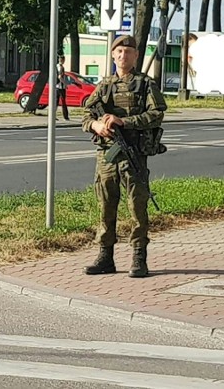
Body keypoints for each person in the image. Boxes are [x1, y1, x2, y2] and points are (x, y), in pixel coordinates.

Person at [82, 35, 167, 278]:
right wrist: (97, 126)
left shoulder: (145, 84)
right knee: (106, 205)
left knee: (137, 206)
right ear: (112, 55)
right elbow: (86, 114)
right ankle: (105, 256)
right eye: (119, 51)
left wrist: (124, 121)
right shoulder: (105, 85)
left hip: (134, 154)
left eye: (128, 52)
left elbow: (157, 114)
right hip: (107, 155)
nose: (123, 55)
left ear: (136, 56)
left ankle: (139, 258)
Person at [55, 55, 70, 121]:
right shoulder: (61, 67)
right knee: (63, 101)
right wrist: (65, 84)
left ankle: (53, 115)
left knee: (56, 102)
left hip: (56, 86)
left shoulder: (56, 66)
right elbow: (60, 77)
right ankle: (65, 116)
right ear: (63, 60)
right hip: (61, 87)